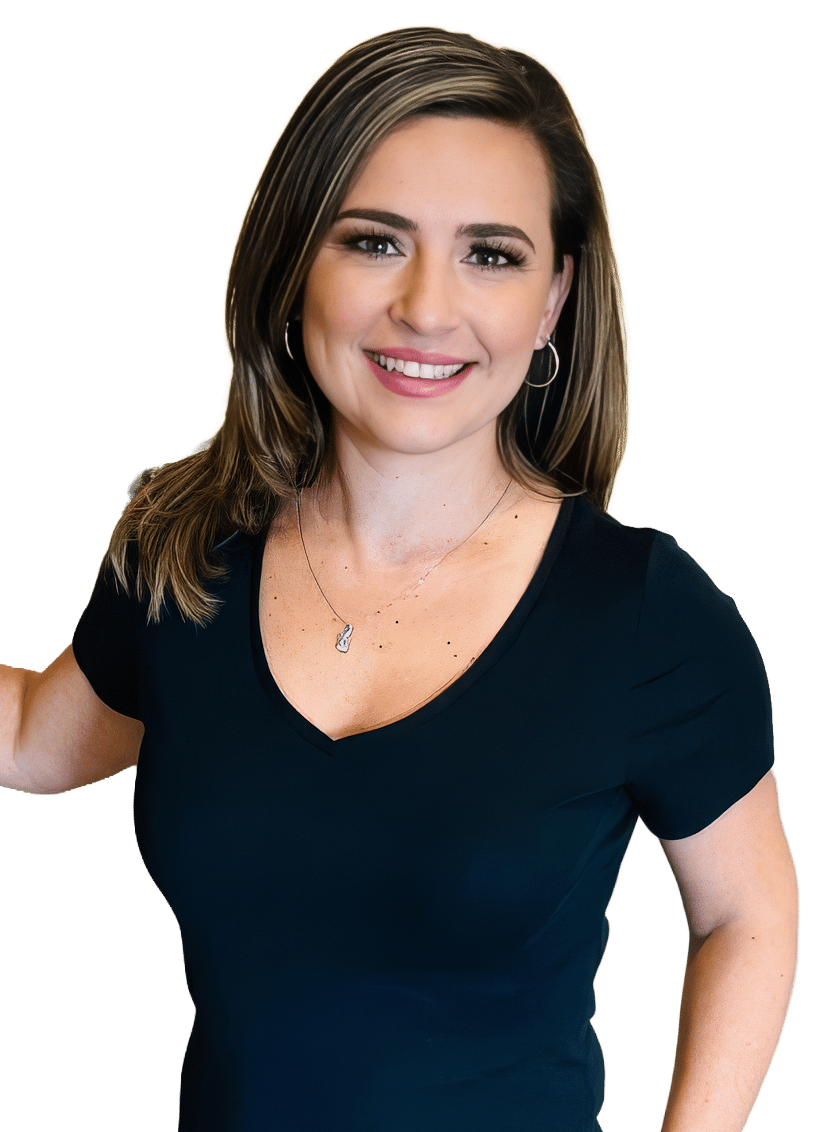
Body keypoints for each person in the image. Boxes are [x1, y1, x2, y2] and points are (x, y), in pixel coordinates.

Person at [0, 24, 799, 1132]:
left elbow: (748, 913)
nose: (426, 308)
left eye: (491, 253)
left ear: (554, 299)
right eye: (374, 241)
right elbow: (38, 736)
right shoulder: (183, 553)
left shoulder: (645, 615)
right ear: (293, 266)